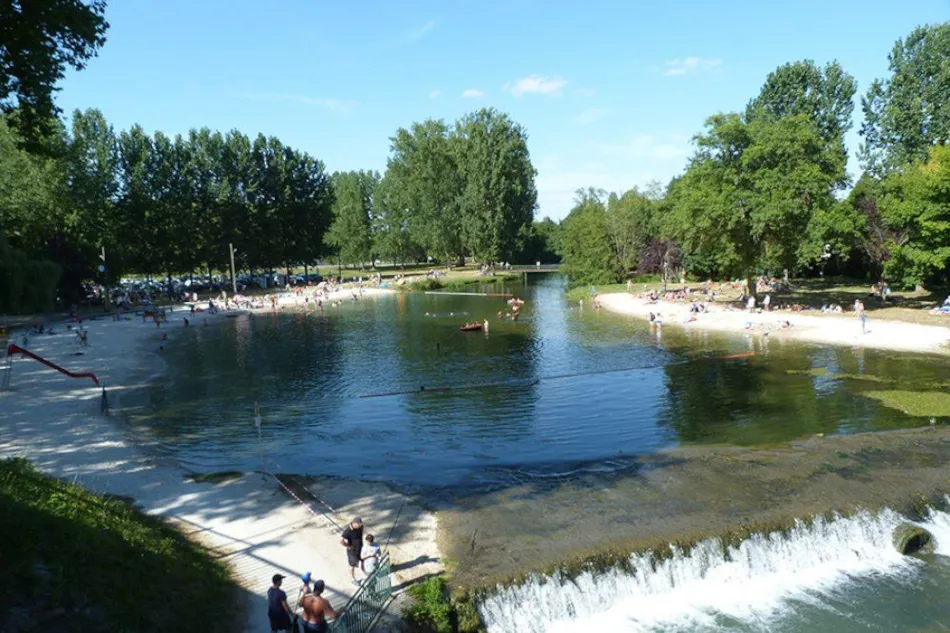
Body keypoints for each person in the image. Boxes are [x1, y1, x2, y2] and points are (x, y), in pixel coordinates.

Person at [341, 517, 364, 585]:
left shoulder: (360, 527)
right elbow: (341, 541)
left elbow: (361, 533)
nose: (359, 526)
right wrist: (348, 546)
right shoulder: (348, 530)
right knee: (352, 565)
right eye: (358, 525)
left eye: (360, 525)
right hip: (352, 551)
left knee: (360, 560)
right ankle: (352, 578)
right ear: (354, 523)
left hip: (359, 548)